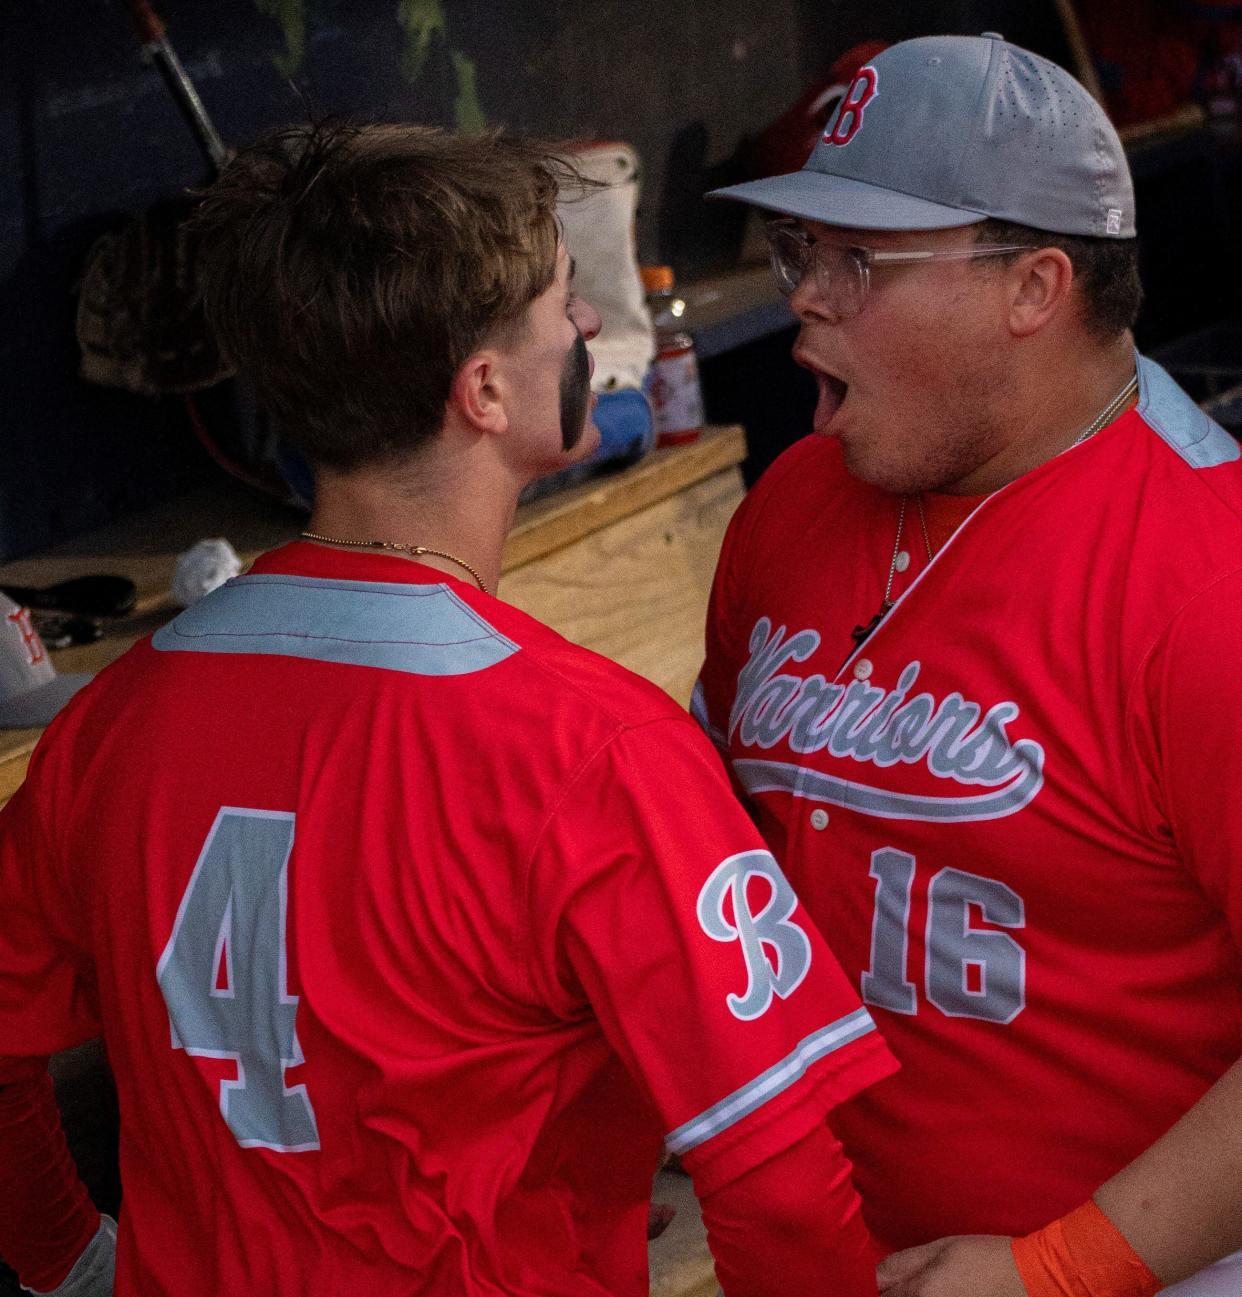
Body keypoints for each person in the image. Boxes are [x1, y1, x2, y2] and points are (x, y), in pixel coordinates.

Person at [0, 122, 899, 1297]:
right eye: (562, 306)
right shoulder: (595, 749)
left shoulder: (109, 724)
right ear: (482, 391)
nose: (584, 331)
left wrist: (67, 1259)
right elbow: (783, 1189)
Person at [695, 31, 1242, 1297]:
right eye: (799, 252)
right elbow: (718, 841)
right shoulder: (791, 503)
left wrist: (1064, 1267)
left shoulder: (1207, 577)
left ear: (1034, 287)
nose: (806, 296)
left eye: (859, 261)